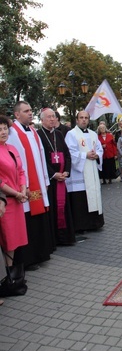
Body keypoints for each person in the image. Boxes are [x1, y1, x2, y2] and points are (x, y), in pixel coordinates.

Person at [8, 101, 54, 270]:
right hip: (24, 186)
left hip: (39, 183)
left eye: (30, 110)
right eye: (26, 111)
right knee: (28, 220)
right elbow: (16, 161)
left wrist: (45, 181)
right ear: (17, 115)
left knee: (38, 218)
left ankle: (40, 253)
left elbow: (41, 157)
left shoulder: (33, 131)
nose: (30, 113)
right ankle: (28, 259)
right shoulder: (13, 133)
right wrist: (24, 184)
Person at [37, 109, 75, 246]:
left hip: (62, 178)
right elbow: (40, 160)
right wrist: (53, 174)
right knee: (53, 209)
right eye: (49, 117)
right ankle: (55, 239)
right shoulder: (38, 135)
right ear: (42, 120)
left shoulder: (58, 134)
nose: (52, 119)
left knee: (64, 207)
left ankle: (66, 237)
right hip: (50, 181)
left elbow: (67, 155)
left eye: (54, 116)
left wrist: (66, 171)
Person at [65, 111, 104, 232]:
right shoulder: (71, 134)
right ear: (76, 120)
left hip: (92, 171)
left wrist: (97, 155)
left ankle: (95, 223)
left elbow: (100, 149)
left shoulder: (93, 134)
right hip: (79, 174)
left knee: (93, 195)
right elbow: (70, 153)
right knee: (80, 200)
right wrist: (85, 155)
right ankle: (81, 226)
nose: (84, 120)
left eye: (86, 118)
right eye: (81, 118)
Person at [0, 116, 28, 267]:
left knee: (16, 240)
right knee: (8, 240)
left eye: (5, 128)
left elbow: (21, 171)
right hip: (6, 201)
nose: (3, 132)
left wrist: (23, 188)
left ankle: (12, 273)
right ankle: (7, 275)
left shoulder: (12, 148)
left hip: (17, 200)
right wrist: (16, 193)